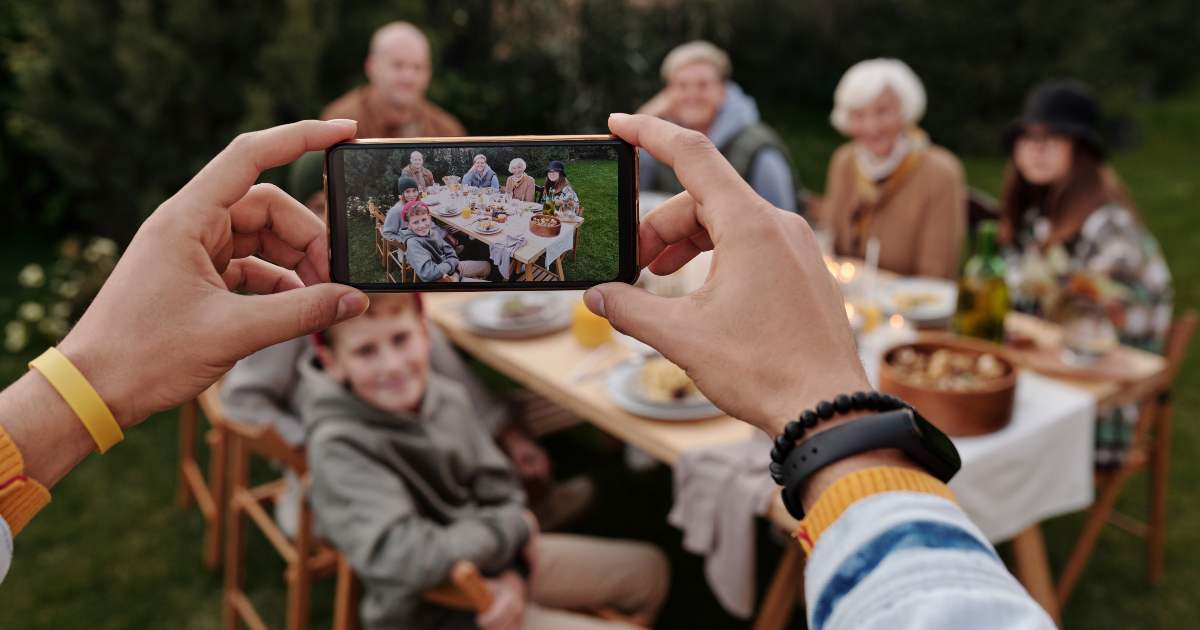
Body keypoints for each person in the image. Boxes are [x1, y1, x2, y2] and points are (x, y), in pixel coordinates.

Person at [0, 115, 1051, 630]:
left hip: (493, 526)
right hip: (455, 590)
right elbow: (403, 549)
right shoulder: (343, 426)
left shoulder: (436, 372)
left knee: (605, 531)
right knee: (629, 564)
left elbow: (474, 447)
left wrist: (73, 390)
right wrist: (506, 537)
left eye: (405, 336)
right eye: (373, 340)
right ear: (328, 336)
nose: (399, 352)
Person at [303, 293, 668, 629]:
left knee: (649, 571)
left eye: (401, 339)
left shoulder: (446, 398)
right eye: (366, 351)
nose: (393, 365)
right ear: (332, 363)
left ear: (425, 333)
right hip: (436, 610)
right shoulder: (339, 445)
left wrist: (514, 574)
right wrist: (509, 532)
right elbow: (406, 558)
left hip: (499, 563)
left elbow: (502, 488)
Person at [999, 79, 1172, 467]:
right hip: (1050, 369)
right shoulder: (1037, 213)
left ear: (1083, 151)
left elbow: (1100, 336)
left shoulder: (1108, 227)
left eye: (1053, 138)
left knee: (980, 421)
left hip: (1102, 398)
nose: (1035, 148)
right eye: (1026, 137)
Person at [816, 58, 966, 279]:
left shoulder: (941, 173)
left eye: (883, 112)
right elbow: (829, 243)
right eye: (859, 115)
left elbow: (936, 275)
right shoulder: (844, 161)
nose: (872, 127)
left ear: (904, 111)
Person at [637, 41, 798, 213]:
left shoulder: (759, 151)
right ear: (667, 93)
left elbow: (784, 221)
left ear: (723, 90)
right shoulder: (655, 147)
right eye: (682, 86)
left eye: (703, 85)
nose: (692, 95)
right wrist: (646, 117)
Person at [322, 22, 465, 138]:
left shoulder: (447, 131)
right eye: (398, 65)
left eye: (418, 67)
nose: (409, 77)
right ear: (371, 67)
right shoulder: (339, 123)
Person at [403, 202, 491, 282]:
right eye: (415, 222)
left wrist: (454, 269)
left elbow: (449, 250)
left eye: (424, 220)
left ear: (429, 218)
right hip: (442, 279)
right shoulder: (413, 243)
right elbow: (429, 273)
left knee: (487, 266)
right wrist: (452, 266)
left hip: (450, 268)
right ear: (408, 225)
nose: (421, 225)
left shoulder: (430, 231)